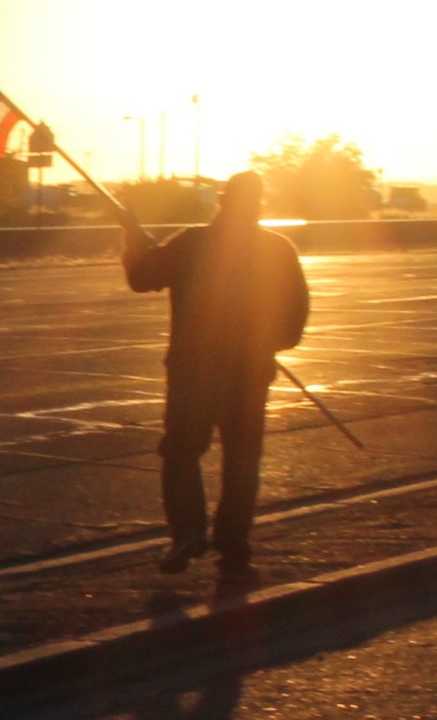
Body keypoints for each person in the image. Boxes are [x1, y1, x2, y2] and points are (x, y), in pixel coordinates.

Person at [121, 170, 309, 587]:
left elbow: (142, 278)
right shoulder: (278, 250)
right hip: (249, 373)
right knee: (242, 462)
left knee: (182, 450)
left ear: (223, 200)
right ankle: (234, 548)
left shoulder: (192, 242)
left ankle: (187, 533)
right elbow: (296, 316)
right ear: (259, 203)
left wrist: (133, 237)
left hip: (194, 372)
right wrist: (268, 344)